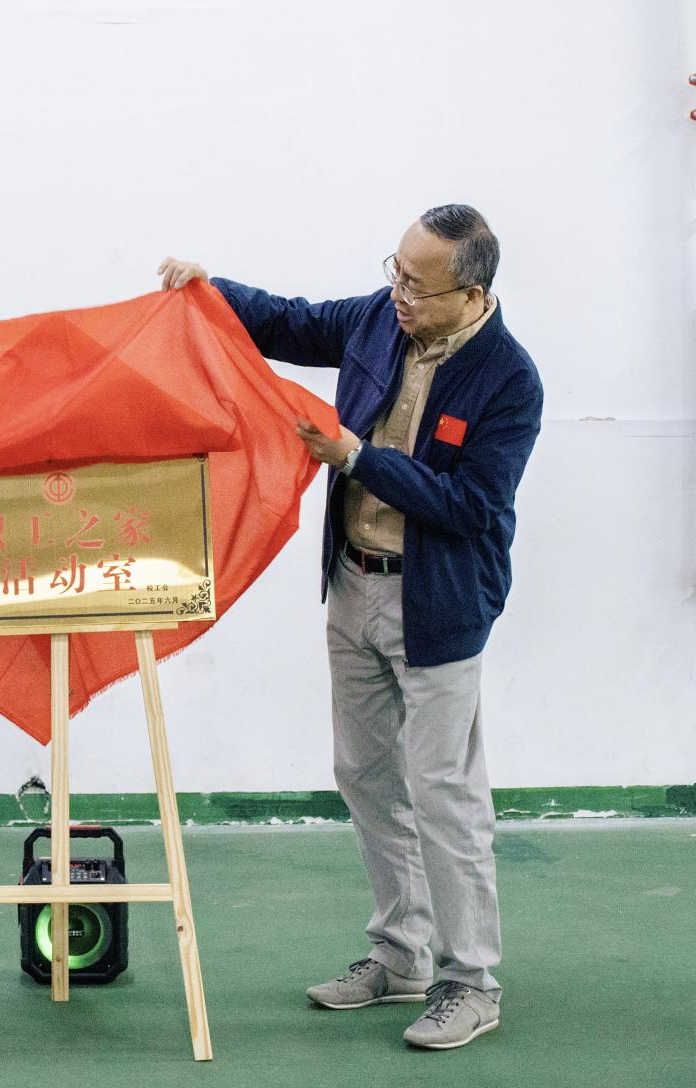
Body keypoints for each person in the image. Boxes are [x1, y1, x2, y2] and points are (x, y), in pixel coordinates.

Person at [158, 205, 542, 1051]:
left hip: (437, 606)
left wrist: (358, 459)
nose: (397, 293)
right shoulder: (378, 317)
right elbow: (291, 321)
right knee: (364, 775)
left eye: (417, 285)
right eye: (393, 272)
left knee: (443, 793)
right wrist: (210, 289)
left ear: (470, 294)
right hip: (353, 585)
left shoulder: (508, 380)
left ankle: (470, 981)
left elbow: (470, 507)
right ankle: (400, 954)